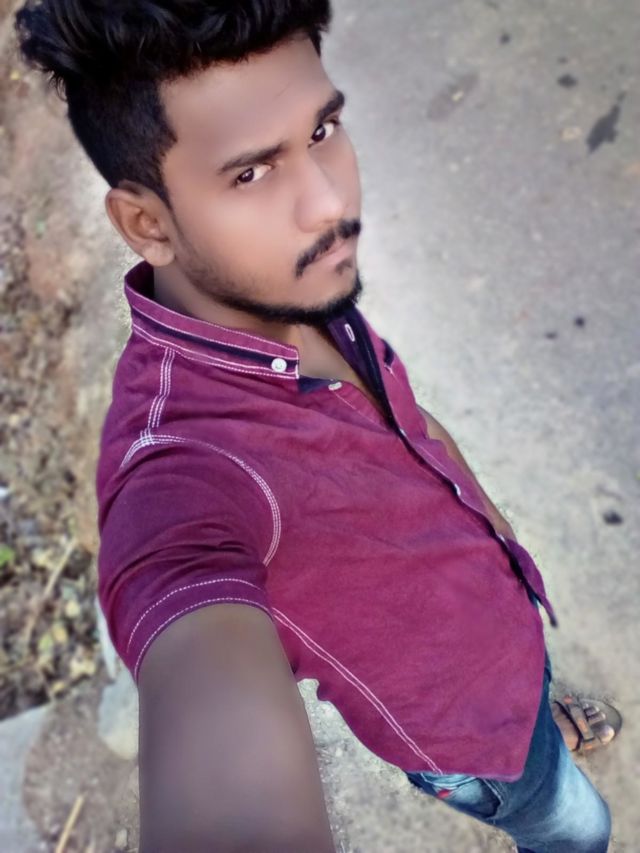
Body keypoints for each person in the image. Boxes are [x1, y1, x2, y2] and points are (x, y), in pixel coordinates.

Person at [15, 2, 622, 851]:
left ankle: (545, 720)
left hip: (507, 632)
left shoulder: (286, 284)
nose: (330, 202)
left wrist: (495, 530)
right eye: (251, 174)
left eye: (322, 130)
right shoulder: (182, 470)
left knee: (543, 735)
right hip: (464, 740)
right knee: (577, 826)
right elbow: (196, 650)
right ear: (147, 223)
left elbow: (412, 425)